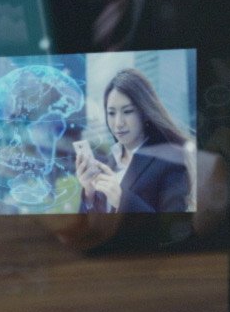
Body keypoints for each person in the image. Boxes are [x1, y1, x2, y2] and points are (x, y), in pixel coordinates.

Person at [77, 67, 195, 216]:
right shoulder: (109, 162)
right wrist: (89, 194)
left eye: (127, 111)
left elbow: (173, 228)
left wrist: (122, 200)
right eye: (111, 113)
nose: (118, 123)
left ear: (144, 112)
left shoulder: (170, 159)